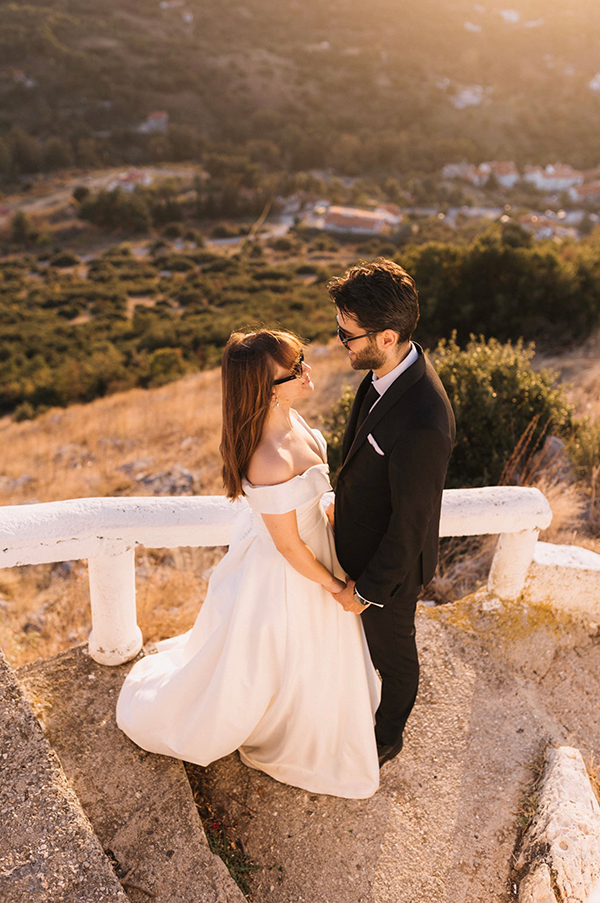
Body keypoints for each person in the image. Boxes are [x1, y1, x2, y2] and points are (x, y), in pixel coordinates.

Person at [117, 329, 380, 799]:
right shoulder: (267, 457)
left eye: (301, 359)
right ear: (267, 388)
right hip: (290, 572)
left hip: (319, 547)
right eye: (295, 367)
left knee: (317, 654)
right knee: (284, 652)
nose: (307, 370)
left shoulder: (293, 419)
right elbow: (290, 549)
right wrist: (337, 588)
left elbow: (314, 503)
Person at [328, 259, 455, 768]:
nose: (341, 341)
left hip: (390, 574)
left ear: (387, 335)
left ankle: (386, 738)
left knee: (395, 658)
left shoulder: (425, 418)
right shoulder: (383, 370)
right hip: (360, 548)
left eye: (348, 334)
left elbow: (412, 521)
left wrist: (366, 591)